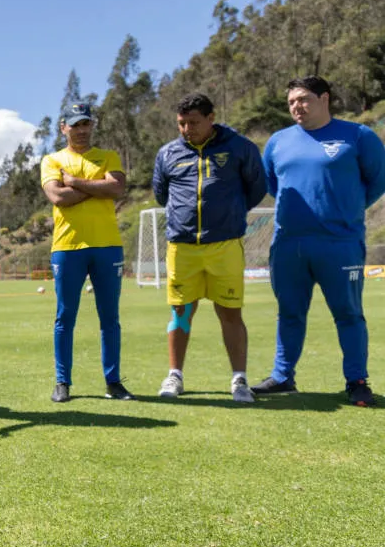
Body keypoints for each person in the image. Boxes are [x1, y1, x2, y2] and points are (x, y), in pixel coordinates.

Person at [252, 76, 385, 406]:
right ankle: (283, 377)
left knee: (349, 314)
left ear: (324, 98)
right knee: (289, 313)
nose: (296, 106)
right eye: (291, 101)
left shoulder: (358, 136)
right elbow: (273, 185)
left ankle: (356, 380)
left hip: (340, 243)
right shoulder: (278, 142)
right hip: (288, 244)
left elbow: (378, 181)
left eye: (303, 99)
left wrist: (346, 210)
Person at [152, 93, 267, 402]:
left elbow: (256, 187)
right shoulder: (167, 153)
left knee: (230, 312)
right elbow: (162, 195)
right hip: (183, 247)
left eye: (194, 123)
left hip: (225, 246)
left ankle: (239, 379)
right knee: (180, 313)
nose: (187, 129)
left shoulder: (240, 148)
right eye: (181, 124)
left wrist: (228, 213)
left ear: (211, 118)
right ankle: (175, 376)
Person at [40, 103, 131, 403]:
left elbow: (117, 189)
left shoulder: (108, 157)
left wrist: (76, 183)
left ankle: (113, 382)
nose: (81, 130)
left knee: (110, 318)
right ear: (63, 127)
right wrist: (98, 186)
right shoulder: (52, 160)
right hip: (68, 247)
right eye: (75, 124)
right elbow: (57, 196)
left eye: (86, 124)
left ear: (92, 125)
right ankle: (62, 382)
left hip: (107, 246)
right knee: (65, 317)